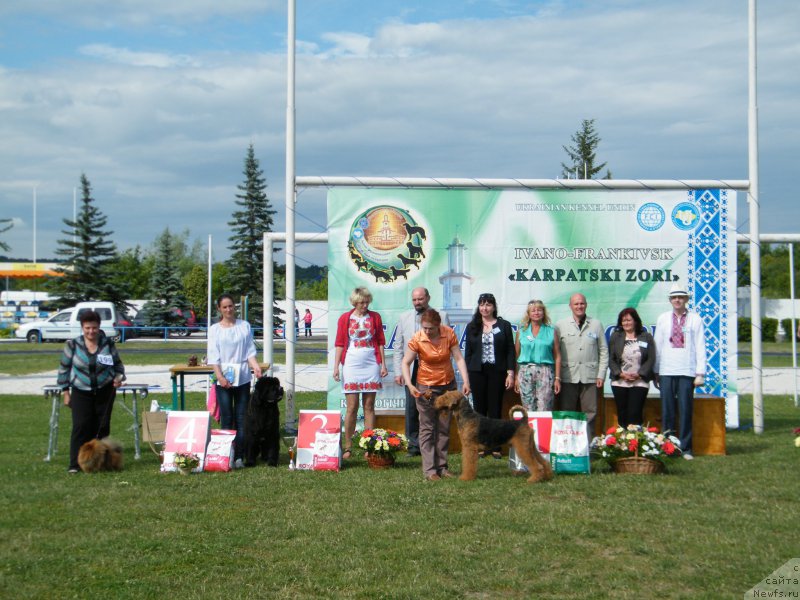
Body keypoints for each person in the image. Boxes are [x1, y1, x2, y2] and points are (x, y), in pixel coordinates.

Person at [402, 308, 470, 481]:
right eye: (424, 327)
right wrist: (410, 384)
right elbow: (406, 362)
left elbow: (459, 358)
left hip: (448, 387)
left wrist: (466, 381)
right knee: (427, 428)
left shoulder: (449, 334)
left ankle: (442, 467)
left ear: (438, 325)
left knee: (444, 427)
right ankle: (430, 470)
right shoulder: (417, 338)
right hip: (426, 388)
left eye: (430, 328)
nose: (426, 331)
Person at [57, 310, 126, 473]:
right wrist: (65, 393)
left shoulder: (107, 344)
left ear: (99, 327)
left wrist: (118, 378)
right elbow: (63, 370)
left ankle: (101, 463)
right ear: (82, 327)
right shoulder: (72, 345)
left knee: (102, 428)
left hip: (105, 391)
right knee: (81, 427)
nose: (91, 331)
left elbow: (118, 366)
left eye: (94, 328)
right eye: (87, 328)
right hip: (81, 391)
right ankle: (75, 464)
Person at [207, 293, 262, 469]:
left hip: (243, 378)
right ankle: (225, 455)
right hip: (223, 380)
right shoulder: (214, 329)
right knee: (226, 417)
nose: (229, 309)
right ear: (219, 309)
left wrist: (256, 367)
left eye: (231, 306)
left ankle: (239, 456)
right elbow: (213, 357)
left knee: (241, 418)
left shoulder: (244, 326)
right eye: (225, 307)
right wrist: (220, 377)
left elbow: (249, 352)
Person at [393, 287, 450, 457]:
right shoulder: (404, 318)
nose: (417, 302)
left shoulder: (442, 316)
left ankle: (433, 445)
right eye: (414, 300)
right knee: (411, 408)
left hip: (434, 369)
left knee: (433, 407)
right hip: (411, 369)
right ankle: (413, 445)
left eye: (420, 299)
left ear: (428, 298)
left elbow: (448, 344)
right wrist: (398, 371)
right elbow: (398, 346)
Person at [333, 287, 388, 459]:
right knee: (351, 407)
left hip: (371, 363)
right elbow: (340, 343)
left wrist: (383, 364)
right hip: (351, 363)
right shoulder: (345, 318)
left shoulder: (375, 317)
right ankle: (348, 446)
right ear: (354, 302)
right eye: (361, 302)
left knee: (369, 406)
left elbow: (380, 341)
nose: (365, 305)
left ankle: (369, 445)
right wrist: (336, 367)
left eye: (367, 302)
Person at [653, 283, 706, 460]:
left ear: (686, 299)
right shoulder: (663, 318)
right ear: (670, 300)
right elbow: (658, 345)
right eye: (674, 297)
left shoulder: (695, 319)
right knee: (667, 410)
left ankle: (686, 448)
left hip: (687, 371)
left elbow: (700, 346)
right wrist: (656, 370)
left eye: (681, 297)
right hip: (667, 369)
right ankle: (667, 446)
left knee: (685, 410)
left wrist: (700, 373)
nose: (677, 300)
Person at [464, 292, 515, 459]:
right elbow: (468, 353)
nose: (484, 308)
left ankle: (496, 446)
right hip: (477, 372)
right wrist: (468, 375)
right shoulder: (472, 326)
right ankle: (481, 444)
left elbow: (510, 350)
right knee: (479, 410)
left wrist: (510, 373)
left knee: (495, 409)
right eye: (481, 304)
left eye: (488, 305)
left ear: (494, 307)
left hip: (497, 372)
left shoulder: (504, 325)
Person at [555, 293, 609, 443]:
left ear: (586, 304)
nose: (579, 306)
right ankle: (567, 446)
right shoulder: (560, 325)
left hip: (590, 377)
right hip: (568, 376)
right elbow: (556, 352)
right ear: (570, 306)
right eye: (576, 304)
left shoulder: (596, 324)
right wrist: (557, 377)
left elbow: (603, 351)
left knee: (590, 414)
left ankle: (587, 448)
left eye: (582, 303)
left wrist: (601, 374)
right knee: (567, 414)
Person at [608, 307, 656, 428]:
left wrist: (640, 374)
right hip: (619, 382)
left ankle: (636, 443)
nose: (626, 323)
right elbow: (611, 358)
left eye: (629, 320)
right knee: (622, 413)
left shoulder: (646, 336)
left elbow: (651, 358)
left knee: (635, 413)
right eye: (623, 320)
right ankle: (622, 444)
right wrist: (620, 374)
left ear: (635, 321)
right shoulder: (616, 336)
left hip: (639, 382)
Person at [514, 299, 561, 412]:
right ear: (528, 314)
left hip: (545, 372)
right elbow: (516, 355)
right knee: (527, 408)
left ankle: (543, 430)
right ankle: (529, 430)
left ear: (543, 312)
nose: (536, 313)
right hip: (525, 372)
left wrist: (557, 378)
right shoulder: (521, 331)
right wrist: (516, 377)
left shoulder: (551, 331)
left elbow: (557, 356)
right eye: (533, 310)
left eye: (539, 310)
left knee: (544, 407)